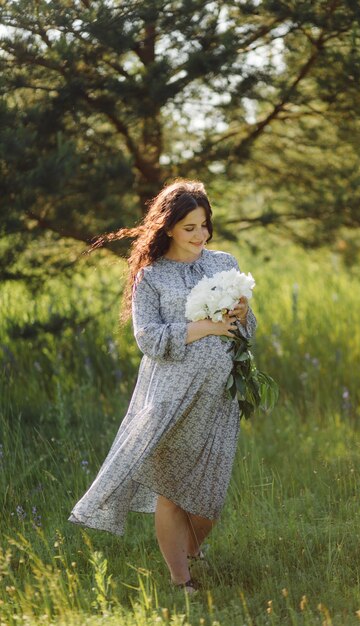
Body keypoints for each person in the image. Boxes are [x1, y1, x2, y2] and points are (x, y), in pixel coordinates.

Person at [68, 179, 257, 593]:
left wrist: (243, 314)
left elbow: (248, 332)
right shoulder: (151, 277)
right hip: (170, 397)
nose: (200, 235)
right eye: (190, 227)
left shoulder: (223, 262)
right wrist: (204, 326)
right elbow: (150, 340)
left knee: (209, 496)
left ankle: (190, 552)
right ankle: (181, 581)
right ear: (168, 227)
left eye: (205, 225)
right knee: (171, 491)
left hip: (219, 398)